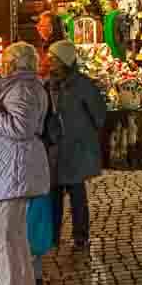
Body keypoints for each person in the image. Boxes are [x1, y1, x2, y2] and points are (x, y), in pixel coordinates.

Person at [0, 42, 51, 285]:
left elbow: (20, 129)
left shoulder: (22, 89)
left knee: (1, 239)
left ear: (13, 63)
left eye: (7, 60)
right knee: (16, 236)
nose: (3, 64)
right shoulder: (27, 86)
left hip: (14, 173)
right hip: (15, 171)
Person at [45, 39, 107, 251]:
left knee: (77, 194)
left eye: (53, 58)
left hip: (76, 147)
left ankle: (80, 235)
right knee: (53, 195)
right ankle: (52, 235)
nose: (49, 61)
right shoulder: (48, 85)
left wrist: (84, 133)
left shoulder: (82, 85)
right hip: (55, 147)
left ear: (64, 60)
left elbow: (98, 114)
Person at [35, 12, 66, 78]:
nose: (38, 28)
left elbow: (47, 71)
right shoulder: (47, 44)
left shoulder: (56, 48)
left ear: (51, 28)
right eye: (38, 25)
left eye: (41, 26)